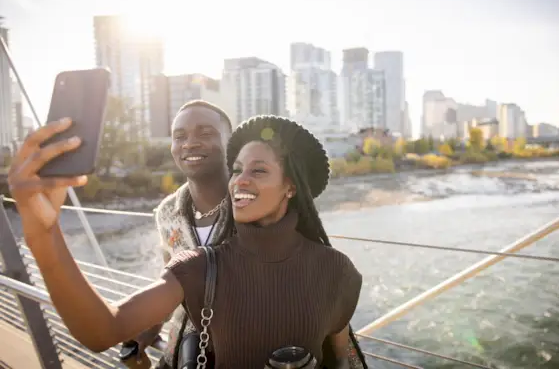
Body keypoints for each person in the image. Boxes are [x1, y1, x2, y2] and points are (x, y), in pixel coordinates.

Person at [8, 115, 366, 368]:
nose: (239, 181)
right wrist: (43, 233)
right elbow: (103, 330)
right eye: (237, 169)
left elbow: (340, 358)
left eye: (258, 170)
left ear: (291, 187)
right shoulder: (199, 266)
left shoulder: (338, 271)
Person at [130, 100, 233, 368]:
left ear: (231, 142)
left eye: (205, 133)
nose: (190, 143)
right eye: (180, 136)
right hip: (186, 349)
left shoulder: (253, 201)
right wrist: (150, 329)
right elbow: (171, 282)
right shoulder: (167, 213)